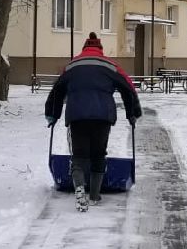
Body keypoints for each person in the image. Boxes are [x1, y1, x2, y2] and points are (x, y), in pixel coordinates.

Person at [45, 32, 142, 209]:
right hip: (102, 116)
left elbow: (57, 90)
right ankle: (95, 195)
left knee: (79, 155)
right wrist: (132, 113)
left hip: (77, 116)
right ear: (100, 49)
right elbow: (128, 88)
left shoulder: (72, 66)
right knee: (98, 154)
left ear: (84, 49)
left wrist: (52, 114)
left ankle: (80, 187)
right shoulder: (110, 65)